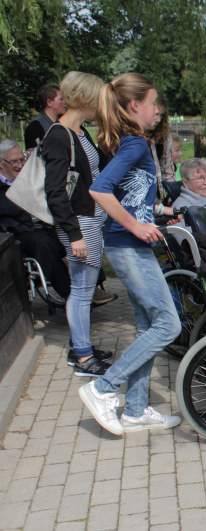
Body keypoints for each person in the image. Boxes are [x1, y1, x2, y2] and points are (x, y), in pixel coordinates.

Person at [83, 73, 182, 436]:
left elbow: (130, 197)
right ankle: (103, 388)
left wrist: (158, 212)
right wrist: (135, 226)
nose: (158, 110)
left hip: (130, 243)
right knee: (168, 325)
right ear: (135, 105)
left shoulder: (131, 142)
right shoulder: (136, 144)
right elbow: (100, 191)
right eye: (154, 102)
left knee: (146, 326)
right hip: (128, 246)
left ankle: (136, 411)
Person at [42, 71, 114, 377]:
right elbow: (55, 191)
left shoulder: (80, 132)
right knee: (83, 290)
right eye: (99, 97)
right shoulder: (59, 136)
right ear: (86, 98)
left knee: (82, 288)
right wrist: (73, 234)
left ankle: (80, 345)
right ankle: (83, 357)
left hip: (90, 219)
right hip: (79, 223)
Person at [0, 139, 71, 301]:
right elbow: (9, 209)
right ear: (1, 164)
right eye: (14, 161)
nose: (20, 165)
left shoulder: (26, 179)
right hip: (16, 232)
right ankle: (70, 293)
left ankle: (92, 285)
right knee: (43, 243)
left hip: (38, 227)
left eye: (22, 159)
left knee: (70, 235)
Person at [24, 84, 66, 151]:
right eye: (61, 99)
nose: (65, 102)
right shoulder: (34, 127)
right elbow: (34, 157)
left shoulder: (65, 122)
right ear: (49, 102)